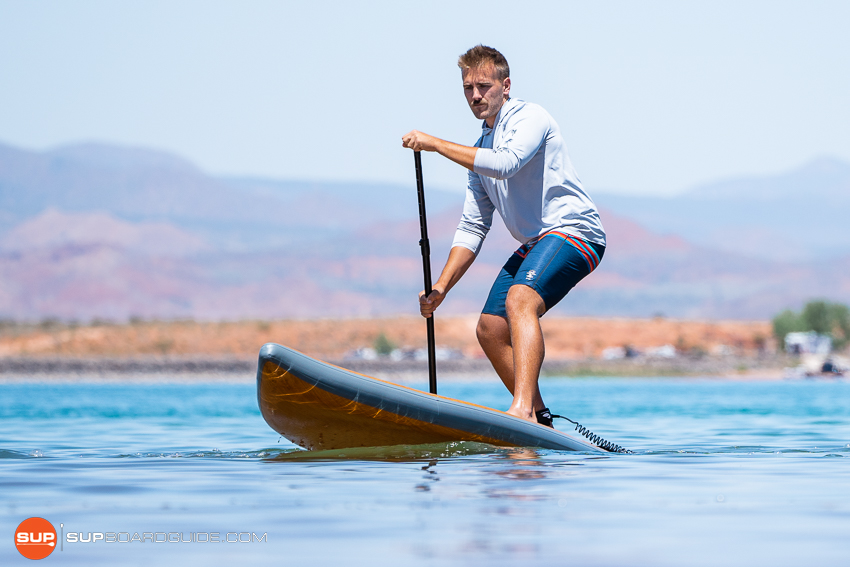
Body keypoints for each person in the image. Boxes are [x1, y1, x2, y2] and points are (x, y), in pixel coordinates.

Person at [401, 45, 606, 426]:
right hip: (537, 242)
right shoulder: (478, 149)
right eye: (467, 88)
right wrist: (441, 287)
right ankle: (540, 417)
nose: (475, 95)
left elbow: (507, 164)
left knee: (520, 299)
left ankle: (522, 408)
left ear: (505, 85)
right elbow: (472, 227)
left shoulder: (531, 117)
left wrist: (434, 144)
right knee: (490, 329)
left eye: (483, 85)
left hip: (576, 231)